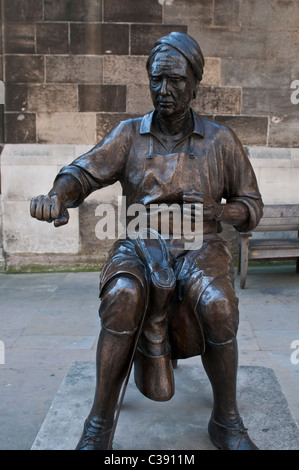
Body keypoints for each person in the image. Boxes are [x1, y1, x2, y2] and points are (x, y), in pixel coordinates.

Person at [30, 32, 263, 450]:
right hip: (140, 241)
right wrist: (57, 196)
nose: (164, 90)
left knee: (219, 305)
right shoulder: (128, 134)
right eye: (156, 79)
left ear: (195, 82)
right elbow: (83, 172)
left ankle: (226, 420)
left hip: (201, 244)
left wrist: (220, 212)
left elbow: (251, 207)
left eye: (175, 81)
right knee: (121, 295)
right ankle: (99, 422)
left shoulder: (220, 140)